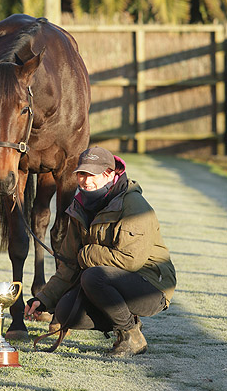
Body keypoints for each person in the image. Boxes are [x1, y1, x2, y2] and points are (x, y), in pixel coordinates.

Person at [24, 146, 176, 357]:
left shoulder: (134, 205)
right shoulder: (79, 207)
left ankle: (130, 336)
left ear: (110, 174)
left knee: (93, 276)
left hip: (151, 287)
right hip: (112, 280)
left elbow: (130, 261)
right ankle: (128, 319)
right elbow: (69, 263)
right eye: (81, 174)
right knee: (65, 311)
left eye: (92, 175)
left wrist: (87, 255)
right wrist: (45, 298)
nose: (85, 181)